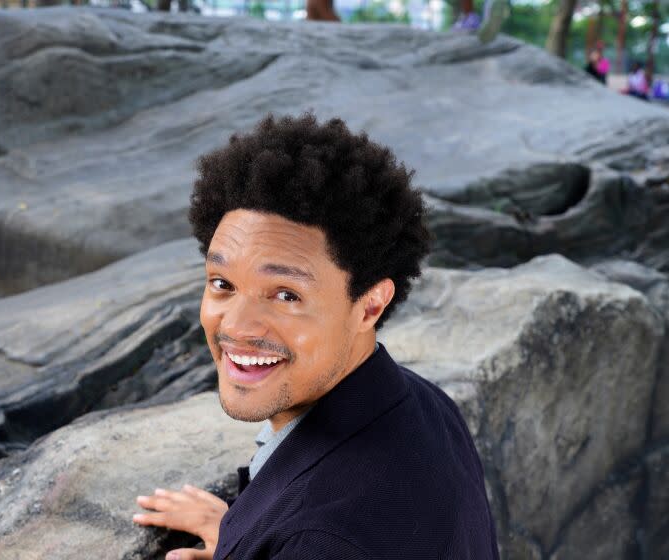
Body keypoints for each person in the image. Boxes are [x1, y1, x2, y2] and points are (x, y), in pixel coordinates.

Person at [132, 114, 500, 559]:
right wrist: (242, 533)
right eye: (222, 283)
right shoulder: (424, 404)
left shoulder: (323, 541)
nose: (235, 326)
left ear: (370, 304)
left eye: (286, 294)